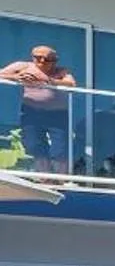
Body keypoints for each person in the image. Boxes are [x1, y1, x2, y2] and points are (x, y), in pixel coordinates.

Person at [2, 45, 77, 173]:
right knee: (34, 144)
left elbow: (71, 84)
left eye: (47, 59)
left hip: (57, 114)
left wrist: (49, 81)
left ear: (54, 61)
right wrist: (17, 77)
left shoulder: (61, 71)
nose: (42, 61)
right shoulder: (24, 66)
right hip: (31, 112)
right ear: (32, 57)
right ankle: (44, 177)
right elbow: (2, 73)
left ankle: (61, 178)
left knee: (61, 148)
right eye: (38, 58)